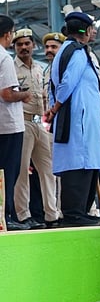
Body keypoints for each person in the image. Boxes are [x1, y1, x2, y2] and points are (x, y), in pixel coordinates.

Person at [45, 12, 100, 227]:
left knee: (87, 164)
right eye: (91, 28)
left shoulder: (72, 50)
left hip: (84, 118)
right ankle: (73, 214)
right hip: (78, 118)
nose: (93, 32)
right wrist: (55, 108)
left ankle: (81, 212)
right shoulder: (76, 52)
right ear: (85, 30)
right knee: (78, 163)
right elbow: (66, 82)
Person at [12, 28, 60, 229]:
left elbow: (43, 94)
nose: (23, 47)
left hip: (40, 123)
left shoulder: (40, 68)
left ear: (33, 45)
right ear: (14, 47)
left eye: (27, 43)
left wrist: (48, 110)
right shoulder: (10, 68)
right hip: (21, 122)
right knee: (22, 171)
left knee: (49, 170)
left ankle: (52, 214)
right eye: (19, 44)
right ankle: (23, 215)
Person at [0, 16, 34, 230]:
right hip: (8, 125)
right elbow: (6, 93)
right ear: (8, 34)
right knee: (8, 174)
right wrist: (24, 95)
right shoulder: (4, 58)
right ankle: (6, 217)